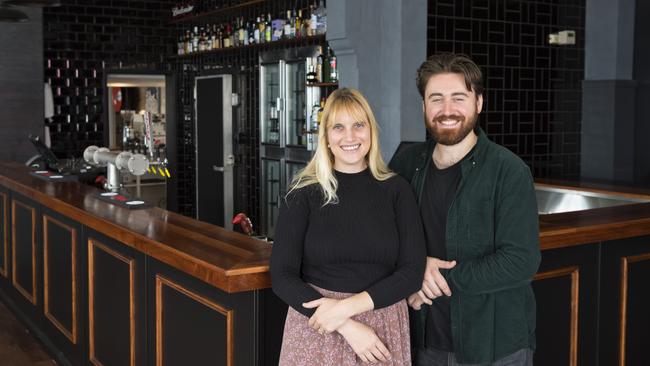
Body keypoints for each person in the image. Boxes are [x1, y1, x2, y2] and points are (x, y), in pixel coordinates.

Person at [389, 53, 541, 365]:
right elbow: (382, 233)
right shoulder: (406, 163)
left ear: (478, 103)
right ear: (423, 106)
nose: (447, 111)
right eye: (436, 99)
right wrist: (417, 267)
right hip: (423, 339)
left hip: (494, 346)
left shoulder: (508, 170)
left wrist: (433, 277)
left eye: (459, 98)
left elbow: (520, 261)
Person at [270, 88, 426, 365]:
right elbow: (282, 275)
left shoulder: (397, 190)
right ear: (327, 138)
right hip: (317, 326)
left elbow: (412, 272)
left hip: (381, 330)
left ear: (371, 132)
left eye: (358, 125)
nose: (350, 136)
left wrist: (344, 310)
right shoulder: (302, 193)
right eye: (338, 127)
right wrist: (345, 324)